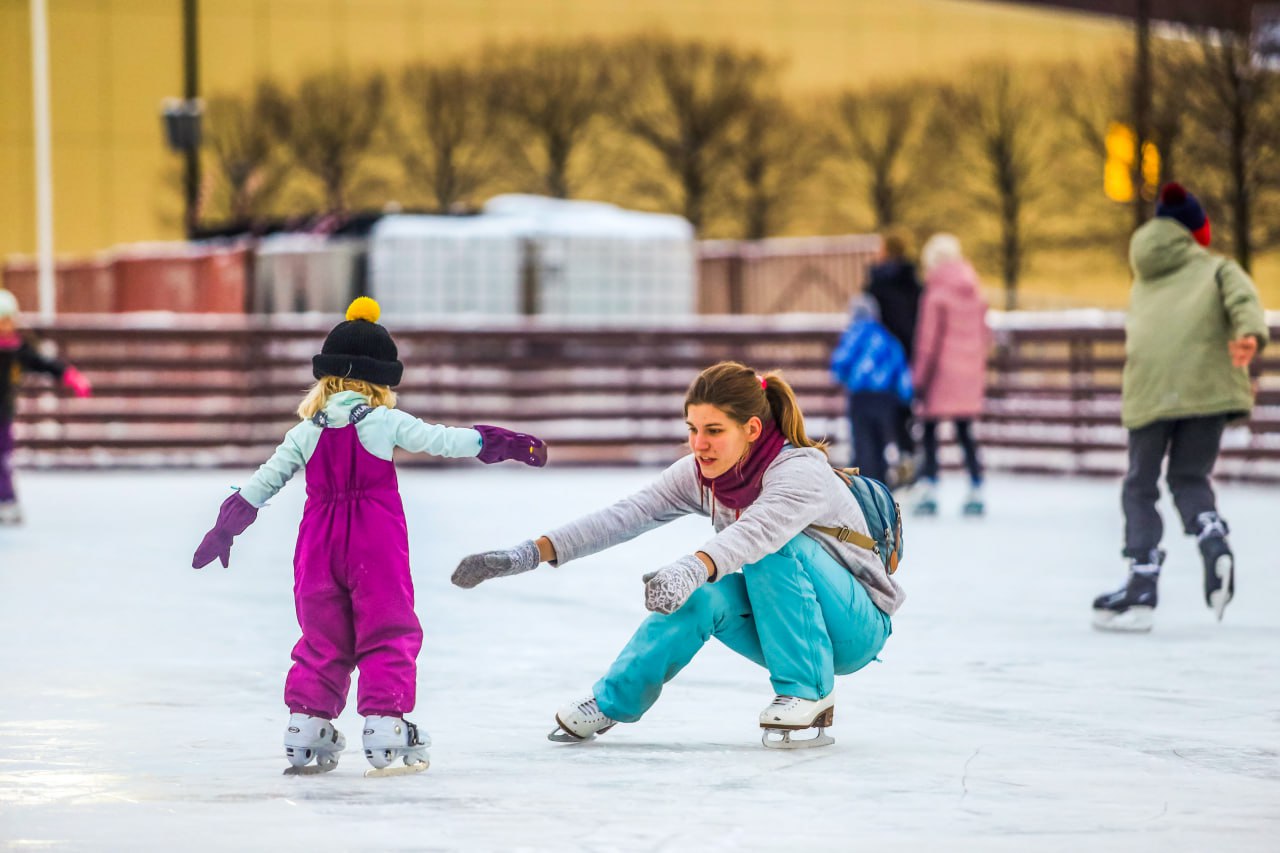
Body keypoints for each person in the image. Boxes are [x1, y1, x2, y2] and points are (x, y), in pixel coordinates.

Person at [451, 361, 903, 748]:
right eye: (692, 429)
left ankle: (809, 691)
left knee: (771, 545)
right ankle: (613, 700)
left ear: (751, 429)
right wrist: (530, 553)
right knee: (700, 599)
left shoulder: (800, 471)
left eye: (713, 431)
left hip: (855, 627)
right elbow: (628, 514)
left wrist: (692, 567)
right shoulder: (703, 474)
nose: (698, 444)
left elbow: (755, 533)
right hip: (788, 620)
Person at [190, 297, 549, 774]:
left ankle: (306, 724)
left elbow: (263, 481)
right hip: (374, 542)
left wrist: (226, 527)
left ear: (328, 377)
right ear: (380, 380)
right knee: (387, 628)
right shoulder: (382, 421)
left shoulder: (305, 431)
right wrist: (498, 442)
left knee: (322, 636)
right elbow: (443, 439)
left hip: (317, 545)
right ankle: (384, 722)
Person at [1092, 182, 1268, 632]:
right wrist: (1248, 333)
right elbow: (1244, 299)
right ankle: (1212, 538)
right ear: (1196, 230)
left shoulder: (1144, 273)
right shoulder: (1216, 268)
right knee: (1189, 477)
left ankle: (1142, 583)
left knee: (1140, 485)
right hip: (1206, 391)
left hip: (1151, 391)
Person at [911, 233, 991, 517]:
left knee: (930, 429)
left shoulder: (936, 292)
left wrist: (919, 379)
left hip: (941, 374)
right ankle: (976, 486)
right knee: (965, 430)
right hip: (969, 371)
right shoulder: (974, 288)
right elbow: (984, 334)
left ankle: (930, 487)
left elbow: (927, 341)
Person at [0, 288, 92, 525]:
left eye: (9, 320)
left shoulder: (18, 349)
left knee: (3, 459)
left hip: (3, 415)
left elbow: (43, 362)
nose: (5, 326)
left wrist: (69, 375)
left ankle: (6, 501)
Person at [829, 294, 913, 484]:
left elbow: (838, 366)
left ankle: (866, 483)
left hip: (861, 398)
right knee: (882, 440)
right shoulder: (886, 337)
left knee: (863, 442)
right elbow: (901, 370)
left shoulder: (852, 336)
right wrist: (905, 397)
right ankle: (882, 482)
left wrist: (848, 378)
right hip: (885, 399)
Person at [865, 229, 924, 485]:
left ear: (887, 252)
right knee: (903, 413)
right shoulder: (914, 283)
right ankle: (907, 461)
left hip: (882, 361)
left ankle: (887, 470)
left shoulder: (877, 284)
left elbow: (868, 322)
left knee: (881, 416)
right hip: (910, 356)